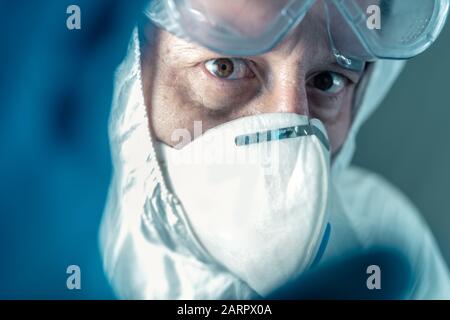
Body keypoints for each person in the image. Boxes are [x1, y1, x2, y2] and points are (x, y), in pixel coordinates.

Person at [99, 0, 450, 299]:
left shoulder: (380, 235)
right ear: (129, 65)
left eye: (327, 81)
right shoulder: (54, 254)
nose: (287, 128)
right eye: (226, 67)